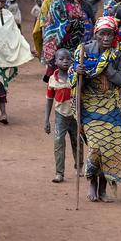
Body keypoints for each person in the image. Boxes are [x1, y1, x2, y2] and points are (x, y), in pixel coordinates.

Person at [72, 17, 121, 203]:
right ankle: (92, 184)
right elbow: (73, 79)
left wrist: (108, 71)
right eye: (102, 33)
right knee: (96, 146)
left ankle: (103, 188)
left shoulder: (117, 55)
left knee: (111, 148)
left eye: (109, 34)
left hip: (111, 107)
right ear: (96, 34)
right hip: (90, 106)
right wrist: (79, 73)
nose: (106, 37)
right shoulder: (83, 51)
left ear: (114, 35)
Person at [45, 49, 84, 183]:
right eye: (61, 59)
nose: (65, 61)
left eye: (68, 59)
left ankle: (79, 166)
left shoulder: (76, 76)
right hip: (60, 115)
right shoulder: (52, 79)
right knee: (58, 142)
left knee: (77, 141)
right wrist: (46, 120)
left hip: (75, 114)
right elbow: (49, 100)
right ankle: (59, 173)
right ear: (55, 62)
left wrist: (80, 75)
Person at [45, 0, 85, 76]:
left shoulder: (77, 4)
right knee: (60, 64)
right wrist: (70, 22)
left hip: (75, 40)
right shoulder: (56, 5)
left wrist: (76, 22)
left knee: (74, 65)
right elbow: (56, 23)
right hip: (60, 40)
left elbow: (81, 21)